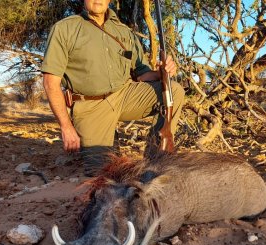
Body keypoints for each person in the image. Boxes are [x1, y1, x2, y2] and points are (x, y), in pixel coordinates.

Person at [42, 0, 185, 176]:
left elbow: (142, 74)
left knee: (174, 90)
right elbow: (50, 82)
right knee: (104, 174)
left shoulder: (124, 32)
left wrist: (162, 72)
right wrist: (66, 127)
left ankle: (155, 160)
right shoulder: (65, 28)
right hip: (91, 107)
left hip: (124, 95)